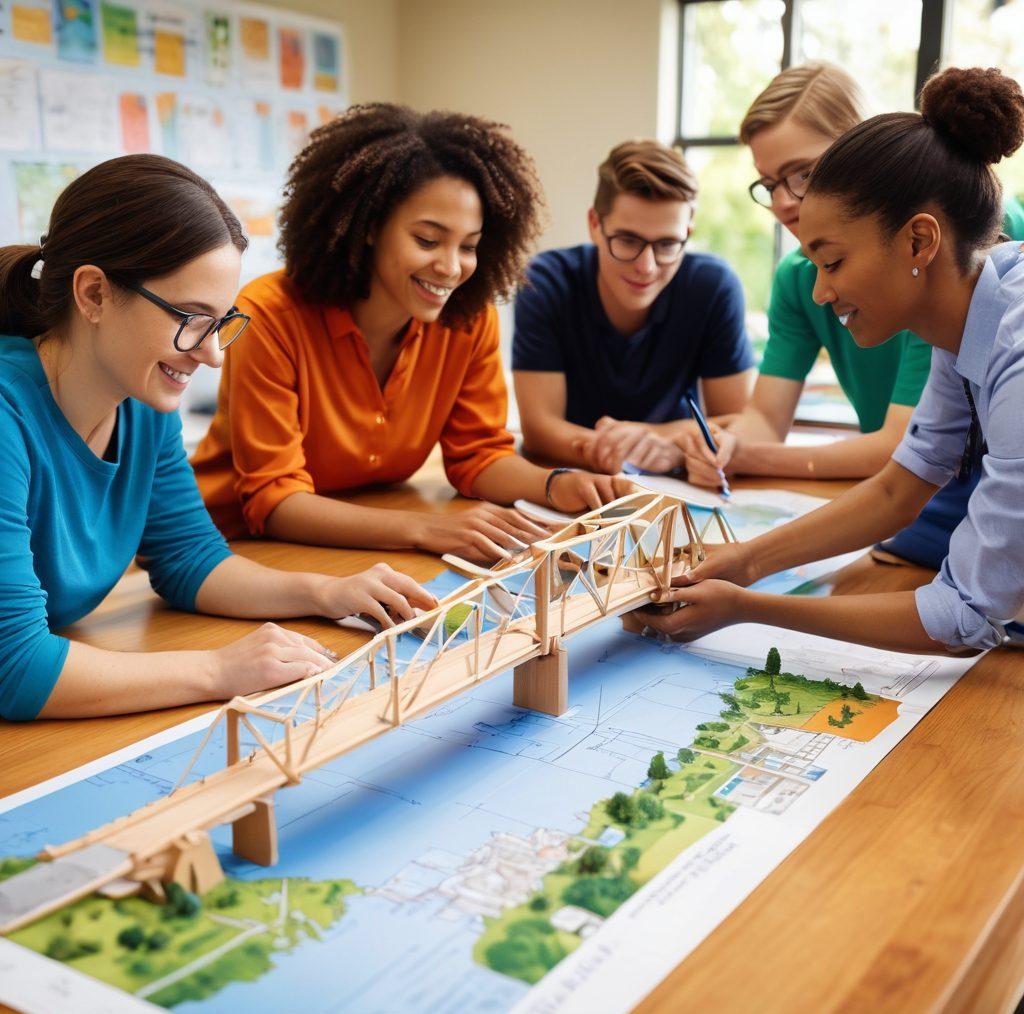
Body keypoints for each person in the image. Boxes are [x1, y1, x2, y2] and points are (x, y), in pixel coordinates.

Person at [0, 154, 436, 722]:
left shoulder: (142, 398)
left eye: (221, 322)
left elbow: (188, 557)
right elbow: (16, 666)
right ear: (94, 294)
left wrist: (324, 592)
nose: (211, 355)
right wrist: (220, 670)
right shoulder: (9, 414)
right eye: (190, 318)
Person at [638, 66, 1024, 655]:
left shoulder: (1013, 348)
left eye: (833, 263)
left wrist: (747, 607)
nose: (819, 292)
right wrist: (745, 561)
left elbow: (964, 615)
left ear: (919, 241)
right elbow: (900, 486)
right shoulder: (967, 307)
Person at [192, 105, 632, 565]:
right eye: (427, 240)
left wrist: (558, 484)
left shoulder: (468, 319)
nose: (451, 267)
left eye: (469, 246)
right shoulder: (270, 315)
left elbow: (478, 455)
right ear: (369, 226)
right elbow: (274, 500)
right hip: (234, 548)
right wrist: (427, 529)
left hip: (364, 541)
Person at [512, 139, 755, 476]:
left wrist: (660, 443)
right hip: (574, 479)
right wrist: (641, 445)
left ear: (688, 233)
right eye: (627, 240)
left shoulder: (713, 287)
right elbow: (539, 431)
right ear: (594, 225)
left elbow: (740, 424)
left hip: (677, 480)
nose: (647, 267)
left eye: (667, 244)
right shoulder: (546, 282)